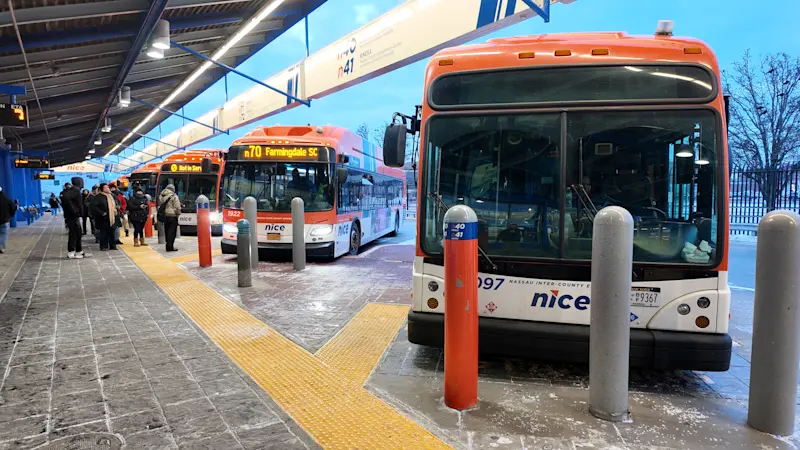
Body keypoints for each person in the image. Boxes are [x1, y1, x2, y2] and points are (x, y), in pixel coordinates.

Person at [61, 177, 85, 259]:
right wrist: (74, 210)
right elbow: (65, 198)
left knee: (78, 233)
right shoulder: (75, 190)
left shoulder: (74, 190)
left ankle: (79, 251)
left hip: (73, 215)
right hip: (73, 216)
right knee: (74, 233)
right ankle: (71, 251)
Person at [91, 183, 118, 251]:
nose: (107, 188)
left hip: (112, 217)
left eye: (107, 187)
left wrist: (116, 207)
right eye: (105, 187)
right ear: (102, 189)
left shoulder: (112, 195)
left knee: (112, 232)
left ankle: (112, 245)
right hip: (103, 217)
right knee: (104, 232)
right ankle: (104, 246)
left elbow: (117, 202)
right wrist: (102, 213)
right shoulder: (99, 197)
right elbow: (94, 206)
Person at [158, 184, 181, 252]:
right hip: (172, 215)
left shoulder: (161, 195)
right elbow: (177, 207)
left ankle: (167, 245)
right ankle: (170, 246)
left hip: (165, 215)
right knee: (172, 232)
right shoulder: (174, 196)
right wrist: (178, 214)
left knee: (166, 231)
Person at [0, 188, 15, 253]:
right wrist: (10, 216)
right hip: (4, 220)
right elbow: (13, 209)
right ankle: (0, 246)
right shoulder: (7, 199)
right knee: (3, 234)